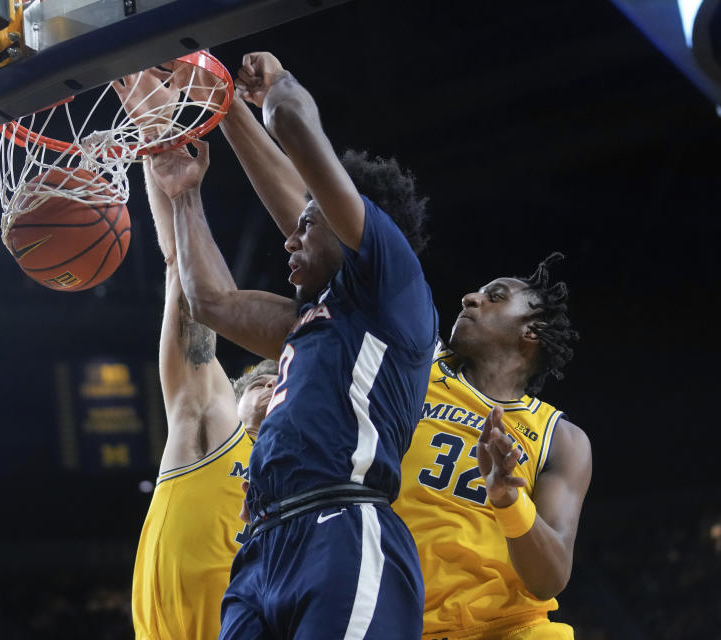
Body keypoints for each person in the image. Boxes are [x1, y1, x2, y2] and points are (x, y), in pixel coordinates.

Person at [148, 50, 436, 639]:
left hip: (342, 525)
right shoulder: (315, 320)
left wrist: (274, 86)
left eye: (306, 225)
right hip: (261, 547)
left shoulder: (390, 286)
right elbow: (214, 304)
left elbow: (297, 129)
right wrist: (184, 196)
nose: (288, 240)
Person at [121, 77, 279, 640]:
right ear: (235, 394)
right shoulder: (215, 425)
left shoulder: (303, 481)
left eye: (284, 384)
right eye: (262, 380)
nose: (273, 388)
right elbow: (181, 278)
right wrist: (155, 131)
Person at [392, 254, 591, 640]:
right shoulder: (415, 372)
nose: (469, 298)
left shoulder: (560, 438)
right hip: (399, 622)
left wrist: (508, 501)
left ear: (532, 331)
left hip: (508, 626)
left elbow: (550, 579)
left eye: (494, 297)